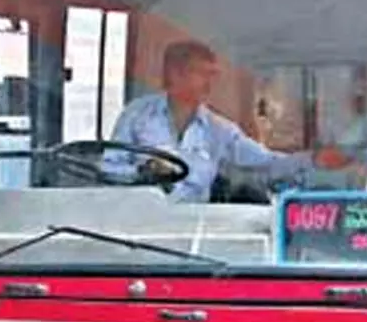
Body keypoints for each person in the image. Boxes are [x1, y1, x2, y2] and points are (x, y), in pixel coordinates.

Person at [105, 40, 313, 202]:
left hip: (195, 231)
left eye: (212, 75)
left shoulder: (219, 131)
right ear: (175, 74)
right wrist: (143, 172)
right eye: (202, 74)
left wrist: (314, 159)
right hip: (137, 230)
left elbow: (267, 162)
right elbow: (108, 169)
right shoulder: (137, 115)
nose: (210, 83)